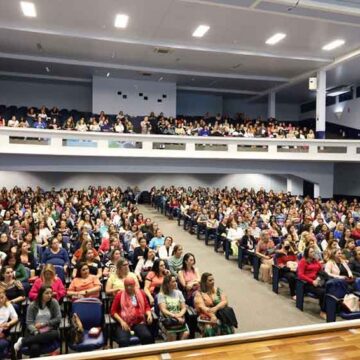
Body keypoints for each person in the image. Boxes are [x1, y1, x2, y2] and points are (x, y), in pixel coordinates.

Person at [14, 286, 61, 358]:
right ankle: (30, 340)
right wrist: (36, 332)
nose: (49, 295)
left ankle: (23, 341)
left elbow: (58, 318)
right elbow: (29, 323)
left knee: (55, 333)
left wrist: (43, 324)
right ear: (41, 294)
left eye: (51, 293)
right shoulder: (32, 305)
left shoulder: (54, 302)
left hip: (49, 330)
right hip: (34, 331)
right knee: (34, 348)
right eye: (47, 293)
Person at [110, 276, 154, 347]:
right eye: (126, 286)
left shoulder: (141, 293)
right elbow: (113, 311)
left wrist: (149, 314)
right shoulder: (119, 295)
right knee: (123, 340)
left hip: (138, 322)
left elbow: (147, 307)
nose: (128, 288)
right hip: (124, 322)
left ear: (134, 285)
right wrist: (122, 322)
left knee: (147, 337)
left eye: (130, 285)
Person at [194, 272, 234, 337]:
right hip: (206, 316)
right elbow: (202, 307)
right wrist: (212, 316)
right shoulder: (199, 294)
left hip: (221, 315)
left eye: (213, 280)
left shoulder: (218, 290)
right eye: (210, 280)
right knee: (209, 331)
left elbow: (225, 301)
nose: (213, 282)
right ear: (204, 282)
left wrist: (216, 308)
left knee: (229, 329)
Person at [297, 246, 326, 319]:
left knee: (330, 288)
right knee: (322, 292)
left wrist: (319, 277)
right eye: (311, 252)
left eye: (314, 251)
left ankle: (329, 308)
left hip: (317, 280)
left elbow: (320, 269)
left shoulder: (314, 260)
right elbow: (300, 275)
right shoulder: (303, 261)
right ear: (307, 253)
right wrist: (312, 281)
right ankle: (323, 311)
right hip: (307, 283)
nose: (313, 253)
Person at [158, 275, 189, 341]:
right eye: (173, 282)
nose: (176, 283)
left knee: (186, 333)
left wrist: (180, 315)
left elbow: (183, 307)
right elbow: (163, 310)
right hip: (168, 319)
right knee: (172, 335)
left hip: (179, 318)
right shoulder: (161, 295)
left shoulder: (179, 293)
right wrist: (175, 316)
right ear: (167, 284)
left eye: (176, 281)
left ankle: (180, 350)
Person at [0, 288, 18, 358]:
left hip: (2, 335)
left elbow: (15, 318)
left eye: (2, 297)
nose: (0, 300)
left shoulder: (8, 305)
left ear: (5, 296)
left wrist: (9, 323)